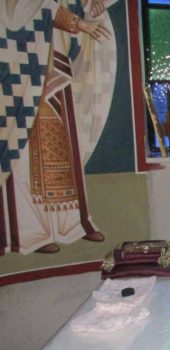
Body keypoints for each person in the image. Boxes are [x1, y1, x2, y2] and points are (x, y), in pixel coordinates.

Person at [0, 0, 114, 255]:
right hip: (23, 69)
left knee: (60, 147)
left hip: (51, 62)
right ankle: (31, 234)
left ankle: (69, 225)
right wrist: (78, 23)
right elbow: (22, 10)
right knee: (24, 155)